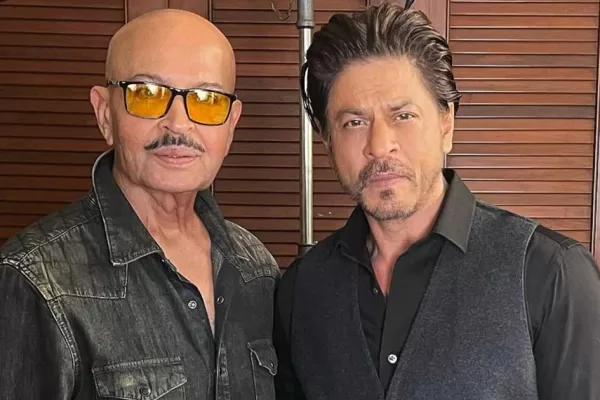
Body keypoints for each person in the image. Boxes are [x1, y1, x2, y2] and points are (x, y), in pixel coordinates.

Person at [274, 3, 600, 400]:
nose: (379, 145)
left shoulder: (551, 275)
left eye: (403, 116)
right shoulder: (301, 289)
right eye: (354, 122)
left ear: (447, 124)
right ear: (328, 143)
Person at [0, 9, 279, 399]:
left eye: (207, 99)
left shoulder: (256, 268)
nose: (179, 124)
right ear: (105, 114)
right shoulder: (35, 279)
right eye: (147, 94)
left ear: (231, 125)